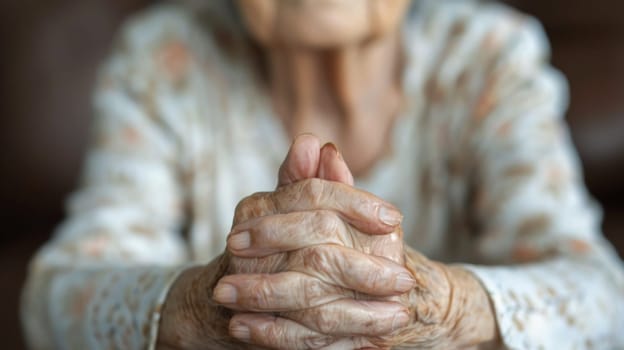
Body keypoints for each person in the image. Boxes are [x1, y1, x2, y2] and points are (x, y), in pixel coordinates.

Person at [21, 0, 624, 349]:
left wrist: (438, 308)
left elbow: (605, 296)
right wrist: (210, 306)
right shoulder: (164, 57)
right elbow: (50, 300)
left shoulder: (488, 53)